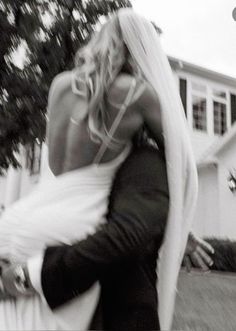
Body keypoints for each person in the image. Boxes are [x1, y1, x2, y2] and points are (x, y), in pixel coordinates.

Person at [0, 8, 198, 330]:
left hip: (21, 219)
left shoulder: (61, 85)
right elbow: (179, 156)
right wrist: (179, 226)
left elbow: (53, 164)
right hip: (69, 227)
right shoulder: (137, 94)